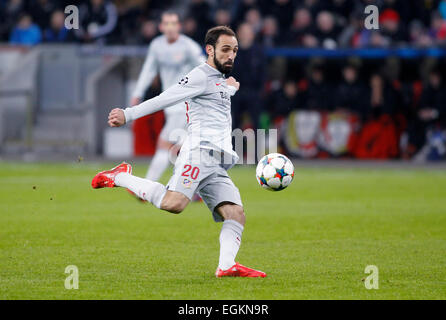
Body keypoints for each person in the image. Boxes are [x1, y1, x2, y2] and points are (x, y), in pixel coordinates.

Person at [92, 26, 266, 278]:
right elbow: (165, 98)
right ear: (209, 50)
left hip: (217, 162)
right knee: (174, 204)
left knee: (236, 213)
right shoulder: (198, 76)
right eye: (226, 49)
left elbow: (214, 102)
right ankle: (118, 176)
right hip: (199, 152)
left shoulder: (218, 79)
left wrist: (230, 89)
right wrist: (127, 115)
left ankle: (226, 265)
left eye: (235, 50)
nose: (231, 55)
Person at [131, 11, 205, 182]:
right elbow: (149, 70)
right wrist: (137, 93)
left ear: (179, 26)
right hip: (171, 105)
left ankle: (147, 187)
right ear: (161, 27)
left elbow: (205, 68)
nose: (170, 27)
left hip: (186, 104)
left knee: (164, 144)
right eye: (167, 23)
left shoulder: (189, 47)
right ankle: (195, 187)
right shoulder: (157, 46)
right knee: (186, 147)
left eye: (174, 23)